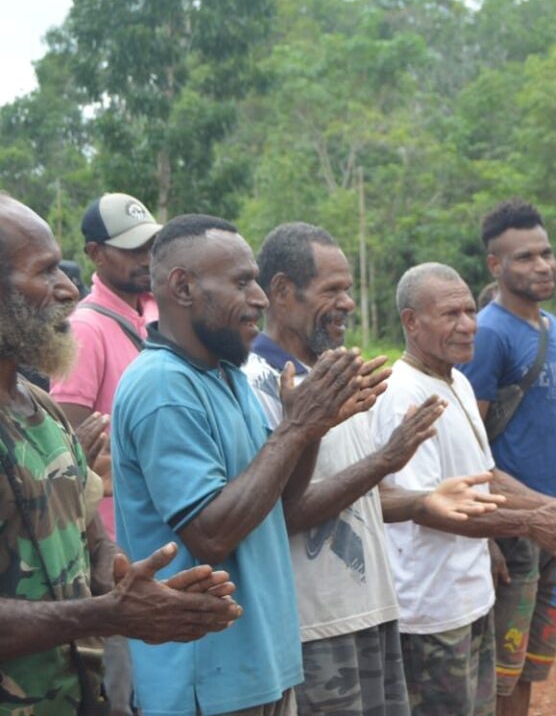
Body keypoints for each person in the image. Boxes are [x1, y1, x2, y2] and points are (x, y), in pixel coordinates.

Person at [111, 214, 382, 715]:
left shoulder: (225, 374)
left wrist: (312, 426)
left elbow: (281, 502)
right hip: (206, 683)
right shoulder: (163, 387)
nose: (259, 297)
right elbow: (211, 534)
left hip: (261, 668)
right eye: (241, 282)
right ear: (184, 286)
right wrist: (295, 429)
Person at [243, 222, 502, 715]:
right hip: (312, 626)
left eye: (349, 290)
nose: (347, 303)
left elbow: (362, 497)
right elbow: (280, 511)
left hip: (371, 613)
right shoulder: (257, 382)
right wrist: (388, 460)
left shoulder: (332, 372)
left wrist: (418, 495)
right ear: (281, 292)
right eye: (332, 290)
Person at [0, 194, 241, 713]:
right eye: (44, 273)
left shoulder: (37, 406)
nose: (68, 288)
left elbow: (90, 538)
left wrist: (137, 585)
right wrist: (108, 614)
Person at [370, 263, 556, 716]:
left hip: (471, 601)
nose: (468, 324)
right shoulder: (403, 395)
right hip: (431, 612)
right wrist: (534, 522)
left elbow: (487, 476)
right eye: (451, 314)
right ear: (412, 322)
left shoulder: (458, 382)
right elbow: (435, 508)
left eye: (470, 310)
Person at [459, 199, 556, 716]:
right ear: (495, 266)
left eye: (546, 253)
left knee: (532, 664)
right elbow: (469, 443)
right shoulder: (489, 334)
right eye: (525, 257)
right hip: (513, 528)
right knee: (499, 674)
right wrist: (489, 538)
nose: (542, 266)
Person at [50, 191, 162, 715]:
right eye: (131, 248)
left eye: (151, 246)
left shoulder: (148, 321)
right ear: (95, 254)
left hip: (150, 544)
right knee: (126, 692)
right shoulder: (90, 328)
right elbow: (67, 450)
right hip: (114, 551)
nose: (146, 258)